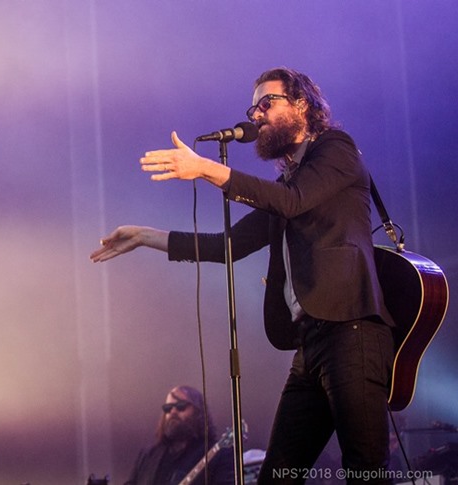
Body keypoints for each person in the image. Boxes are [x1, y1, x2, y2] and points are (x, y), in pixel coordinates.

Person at [91, 67, 396, 484]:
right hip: (310, 345)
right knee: (277, 476)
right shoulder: (289, 183)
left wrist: (206, 169)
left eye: (267, 103)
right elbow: (228, 245)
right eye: (253, 109)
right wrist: (147, 237)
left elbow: (291, 201)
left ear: (301, 104)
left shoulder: (336, 149)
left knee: (365, 471)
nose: (256, 115)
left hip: (352, 330)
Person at [125, 385, 235, 485]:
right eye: (168, 408)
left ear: (198, 412)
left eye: (180, 406)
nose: (173, 412)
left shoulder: (219, 454)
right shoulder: (147, 456)